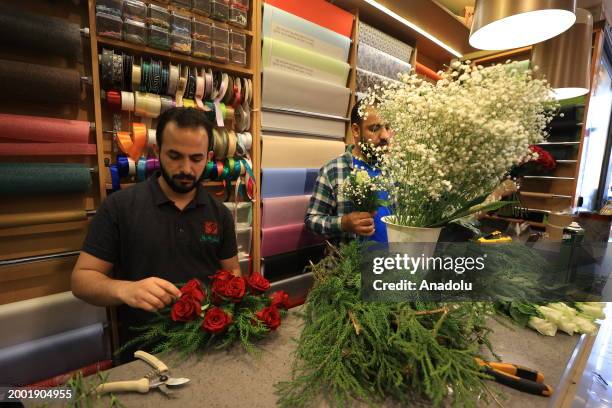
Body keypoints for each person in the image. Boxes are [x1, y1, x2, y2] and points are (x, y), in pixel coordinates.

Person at [71, 108, 240, 359]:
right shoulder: (119, 207)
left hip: (207, 347)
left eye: (196, 158)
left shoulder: (220, 215)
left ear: (209, 157)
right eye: (175, 156)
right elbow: (81, 280)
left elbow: (232, 274)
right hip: (143, 355)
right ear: (156, 151)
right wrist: (126, 290)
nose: (186, 168)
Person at [305, 101, 392, 243]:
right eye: (375, 128)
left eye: (387, 127)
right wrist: (343, 223)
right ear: (356, 130)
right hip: (351, 262)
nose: (385, 136)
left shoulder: (393, 170)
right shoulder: (333, 171)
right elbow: (312, 221)